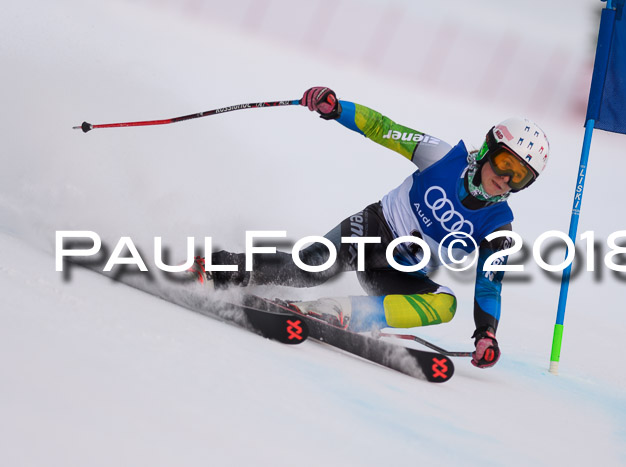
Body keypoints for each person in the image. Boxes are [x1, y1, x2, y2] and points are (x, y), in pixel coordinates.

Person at [188, 86, 550, 369]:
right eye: (505, 164)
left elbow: (490, 287)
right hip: (373, 230)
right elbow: (384, 129)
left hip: (398, 274)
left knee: (445, 304)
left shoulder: (499, 227)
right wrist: (337, 108)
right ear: (488, 149)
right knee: (308, 270)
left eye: (520, 178)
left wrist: (486, 334)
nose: (505, 179)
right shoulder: (442, 156)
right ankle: (217, 267)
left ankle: (341, 311)